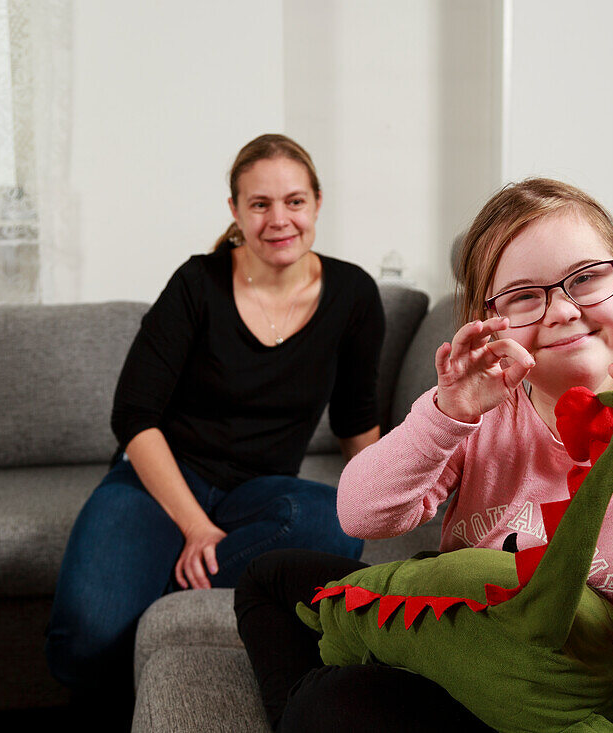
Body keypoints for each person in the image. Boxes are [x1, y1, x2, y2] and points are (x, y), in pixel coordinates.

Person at [235, 178, 613, 732]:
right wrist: (445, 415)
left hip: (564, 712)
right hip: (460, 650)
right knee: (270, 577)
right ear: (490, 319)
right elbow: (362, 515)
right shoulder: (483, 403)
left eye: (585, 279)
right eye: (526, 295)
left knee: (332, 703)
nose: (561, 311)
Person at [46, 134, 384, 699]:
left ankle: (160, 587)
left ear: (318, 204)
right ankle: (151, 594)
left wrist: (385, 501)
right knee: (85, 639)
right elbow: (134, 416)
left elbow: (355, 419)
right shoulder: (196, 283)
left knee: (335, 520)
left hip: (261, 493)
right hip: (160, 483)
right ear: (235, 211)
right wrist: (195, 526)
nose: (280, 219)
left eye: (294, 202)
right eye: (260, 204)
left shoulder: (353, 294)